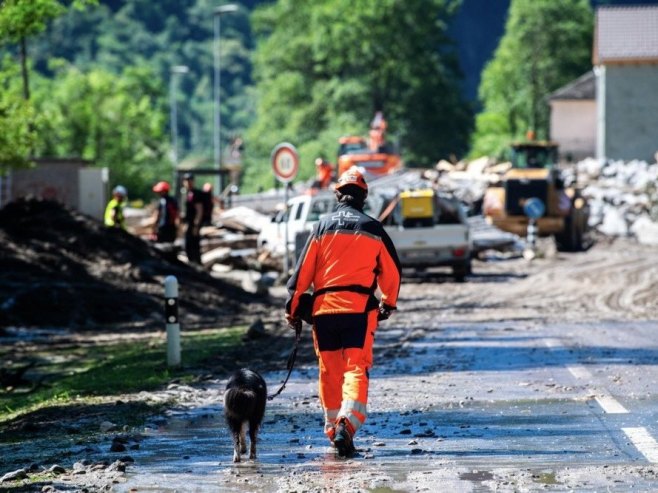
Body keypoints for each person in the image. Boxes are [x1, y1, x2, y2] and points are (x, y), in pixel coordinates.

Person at [285, 167, 401, 458]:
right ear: (364, 196)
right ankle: (346, 425)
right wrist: (388, 302)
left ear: (337, 194)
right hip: (358, 312)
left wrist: (294, 308)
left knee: (329, 371)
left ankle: (333, 427)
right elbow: (392, 273)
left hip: (323, 313)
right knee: (355, 369)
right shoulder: (373, 228)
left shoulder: (321, 227)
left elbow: (301, 276)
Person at [182, 173, 204, 264]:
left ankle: (197, 267)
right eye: (186, 181)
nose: (188, 182)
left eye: (190, 180)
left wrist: (196, 226)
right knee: (188, 247)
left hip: (194, 225)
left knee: (194, 247)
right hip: (189, 224)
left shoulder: (196, 194)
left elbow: (199, 211)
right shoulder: (187, 193)